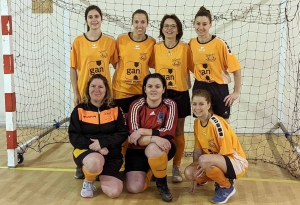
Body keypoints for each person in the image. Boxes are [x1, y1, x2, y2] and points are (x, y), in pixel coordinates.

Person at [70, 5, 118, 179]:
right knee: (83, 128)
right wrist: (75, 92)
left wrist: (115, 88)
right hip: (85, 91)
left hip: (104, 93)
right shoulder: (78, 42)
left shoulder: (110, 42)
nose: (94, 19)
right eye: (90, 17)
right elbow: (73, 68)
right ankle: (81, 161)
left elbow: (117, 65)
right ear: (86, 20)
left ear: (101, 19)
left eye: (96, 16)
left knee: (104, 127)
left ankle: (108, 159)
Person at [68, 74, 128, 198]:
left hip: (112, 154)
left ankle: (100, 173)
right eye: (93, 86)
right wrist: (96, 146)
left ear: (106, 90)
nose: (97, 89)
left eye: (101, 87)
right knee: (95, 161)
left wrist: (103, 143)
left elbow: (122, 133)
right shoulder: (79, 110)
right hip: (86, 151)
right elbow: (74, 137)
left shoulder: (115, 109)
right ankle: (89, 180)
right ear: (88, 89)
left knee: (114, 193)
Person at [184, 89, 248, 204]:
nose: (197, 107)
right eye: (194, 104)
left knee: (204, 160)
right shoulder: (197, 123)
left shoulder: (216, 123)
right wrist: (195, 179)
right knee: (189, 172)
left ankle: (227, 186)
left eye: (201, 104)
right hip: (215, 160)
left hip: (235, 162)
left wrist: (204, 164)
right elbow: (197, 151)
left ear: (208, 105)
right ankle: (216, 178)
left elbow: (226, 151)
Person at [150, 14, 193, 183]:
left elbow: (192, 67)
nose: (169, 29)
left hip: (180, 93)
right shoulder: (156, 48)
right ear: (161, 29)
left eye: (173, 26)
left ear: (178, 30)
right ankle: (157, 166)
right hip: (162, 94)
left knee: (178, 131)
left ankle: (176, 167)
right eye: (166, 26)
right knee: (159, 130)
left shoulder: (185, 48)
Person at [125, 73, 178, 202]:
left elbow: (168, 132)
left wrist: (142, 131)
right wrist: (155, 137)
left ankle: (162, 185)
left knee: (153, 149)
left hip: (162, 146)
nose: (153, 89)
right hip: (137, 150)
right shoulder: (136, 105)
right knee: (134, 188)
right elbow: (134, 138)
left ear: (163, 89)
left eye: (157, 86)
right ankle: (152, 170)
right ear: (144, 89)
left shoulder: (170, 104)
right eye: (149, 86)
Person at [112, 9, 155, 158]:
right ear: (132, 22)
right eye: (136, 21)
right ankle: (120, 159)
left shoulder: (151, 42)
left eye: (143, 22)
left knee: (139, 127)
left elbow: (151, 66)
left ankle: (138, 159)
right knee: (122, 127)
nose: (139, 25)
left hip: (140, 92)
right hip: (121, 90)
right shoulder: (121, 39)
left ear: (147, 24)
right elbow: (114, 63)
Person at [189, 6, 242, 122]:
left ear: (210, 25)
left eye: (204, 24)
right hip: (200, 86)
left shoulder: (220, 44)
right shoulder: (191, 43)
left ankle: (224, 141)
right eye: (198, 24)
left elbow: (236, 69)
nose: (201, 27)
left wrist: (236, 92)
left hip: (218, 87)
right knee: (201, 122)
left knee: (223, 123)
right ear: (194, 24)